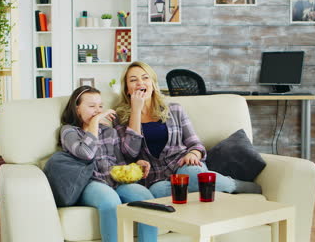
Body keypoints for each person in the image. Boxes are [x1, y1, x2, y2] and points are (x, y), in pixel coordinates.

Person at [114, 61, 261, 198]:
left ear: (152, 84)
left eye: (145, 78)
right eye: (133, 80)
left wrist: (193, 154)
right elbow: (130, 153)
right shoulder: (120, 118)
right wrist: (135, 110)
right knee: (157, 192)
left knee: (193, 175)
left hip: (183, 164)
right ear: (127, 89)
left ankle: (234, 185)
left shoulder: (175, 110)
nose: (140, 83)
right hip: (156, 177)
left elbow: (195, 143)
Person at [59, 86, 157, 242]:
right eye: (91, 106)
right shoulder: (69, 131)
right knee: (110, 201)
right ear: (77, 109)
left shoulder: (109, 132)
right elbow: (86, 153)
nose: (97, 110)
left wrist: (135, 165)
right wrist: (96, 122)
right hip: (89, 183)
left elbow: (119, 162)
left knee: (146, 198)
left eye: (100, 106)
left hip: (114, 180)